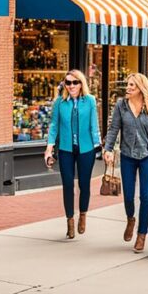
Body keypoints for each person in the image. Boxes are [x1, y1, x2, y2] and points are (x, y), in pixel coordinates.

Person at [104, 73, 148, 253]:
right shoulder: (121, 106)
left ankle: (141, 235)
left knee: (145, 197)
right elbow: (113, 129)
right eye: (128, 85)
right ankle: (130, 219)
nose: (128, 88)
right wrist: (107, 149)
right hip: (127, 156)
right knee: (128, 196)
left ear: (141, 88)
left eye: (132, 85)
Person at [44, 70, 101, 239]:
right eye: (68, 83)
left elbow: (94, 125)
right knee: (68, 185)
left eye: (75, 82)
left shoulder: (89, 101)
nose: (71, 86)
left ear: (81, 83)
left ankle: (82, 215)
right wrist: (49, 147)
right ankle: (69, 220)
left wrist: (98, 147)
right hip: (66, 150)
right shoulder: (60, 102)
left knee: (84, 185)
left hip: (86, 149)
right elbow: (54, 125)